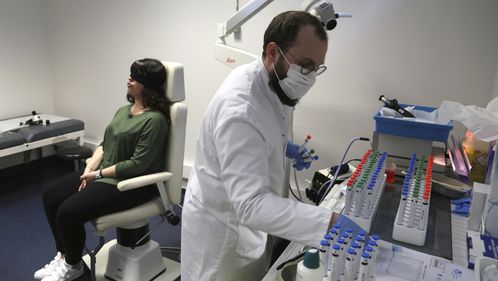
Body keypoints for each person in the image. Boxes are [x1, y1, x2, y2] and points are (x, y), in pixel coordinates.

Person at [181, 11, 339, 281]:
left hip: (246, 225)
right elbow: (251, 205)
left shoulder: (272, 82)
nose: (309, 78)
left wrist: (284, 146)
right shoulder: (240, 107)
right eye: (304, 65)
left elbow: (264, 125)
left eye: (316, 68)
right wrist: (329, 223)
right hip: (223, 232)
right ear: (272, 51)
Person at [34, 58, 170, 281]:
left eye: (135, 77)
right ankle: (64, 255)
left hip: (132, 184)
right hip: (105, 172)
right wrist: (91, 165)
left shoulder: (155, 121)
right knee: (51, 195)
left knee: (68, 211)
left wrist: (96, 175)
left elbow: (138, 165)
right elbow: (106, 144)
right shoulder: (124, 110)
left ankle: (74, 265)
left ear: (148, 85)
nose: (129, 80)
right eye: (130, 75)